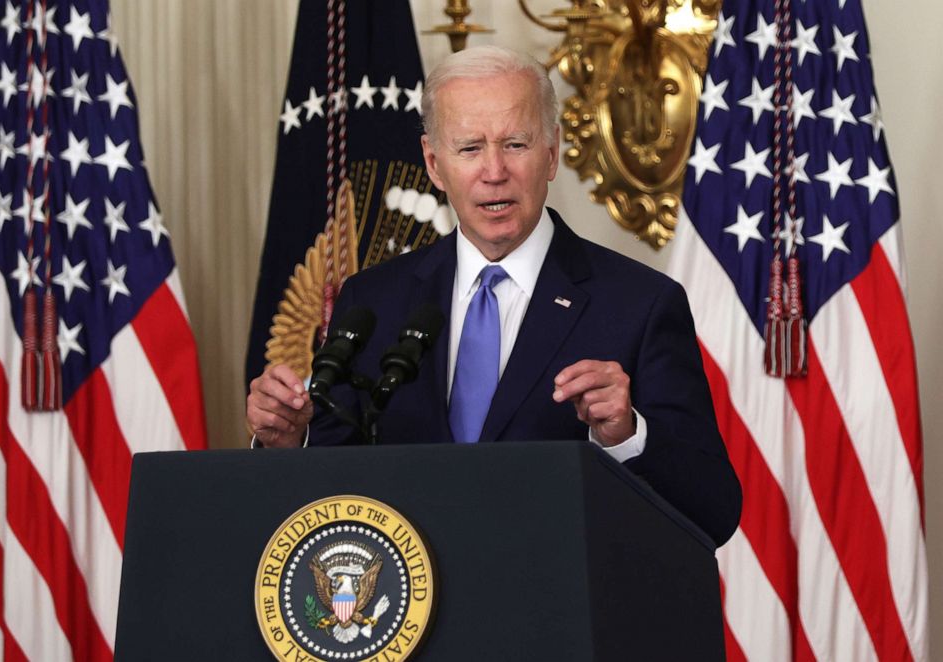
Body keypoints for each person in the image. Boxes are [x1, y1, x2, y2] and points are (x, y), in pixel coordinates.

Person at [246, 45, 741, 546]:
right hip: (408, 614)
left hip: (559, 613)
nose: (494, 171)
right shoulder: (372, 302)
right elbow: (328, 497)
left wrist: (626, 437)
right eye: (469, 148)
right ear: (434, 164)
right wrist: (291, 442)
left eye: (515, 144)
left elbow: (712, 511)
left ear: (551, 153)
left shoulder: (641, 305)